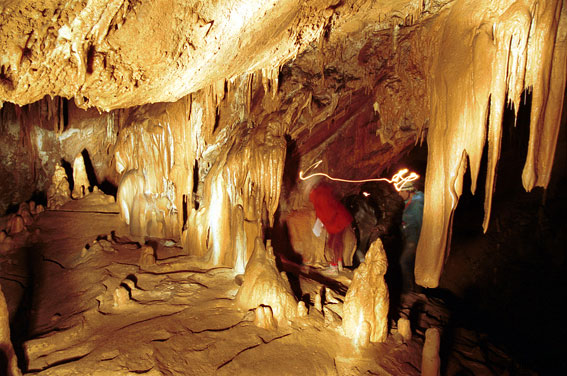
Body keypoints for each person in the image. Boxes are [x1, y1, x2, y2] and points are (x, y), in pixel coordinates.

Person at [304, 177, 353, 276]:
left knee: (332, 244)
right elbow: (322, 210)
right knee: (337, 242)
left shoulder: (319, 196)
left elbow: (328, 212)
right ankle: (338, 263)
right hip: (341, 218)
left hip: (337, 220)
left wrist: (324, 223)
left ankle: (334, 267)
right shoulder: (320, 194)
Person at [398, 181, 424, 292]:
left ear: (409, 191)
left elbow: (421, 222)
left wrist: (420, 241)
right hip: (408, 236)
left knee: (404, 262)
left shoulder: (417, 204)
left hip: (415, 237)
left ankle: (409, 290)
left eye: (401, 192)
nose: (399, 195)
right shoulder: (408, 202)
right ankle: (416, 290)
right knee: (412, 264)